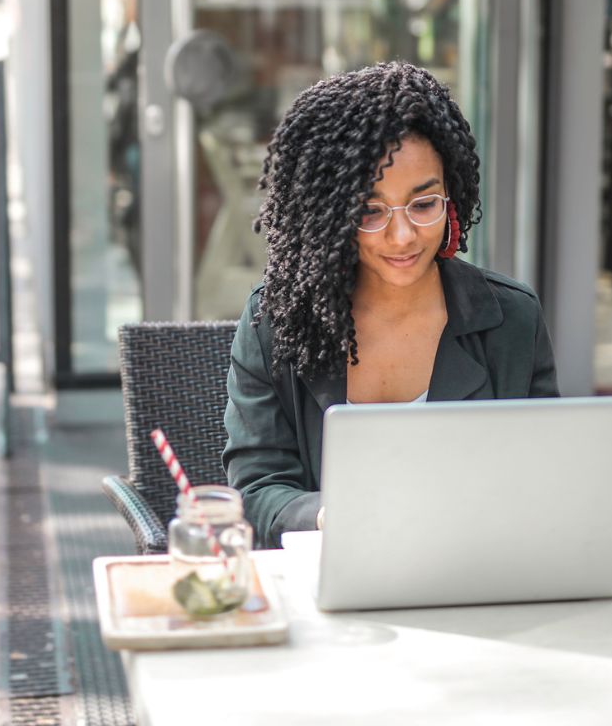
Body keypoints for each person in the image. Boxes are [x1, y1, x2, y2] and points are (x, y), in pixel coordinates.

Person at [223, 62, 559, 549]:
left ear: (453, 198)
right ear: (329, 215)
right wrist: (327, 515)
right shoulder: (275, 323)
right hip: (329, 584)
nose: (402, 237)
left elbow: (544, 482)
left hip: (478, 575)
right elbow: (255, 492)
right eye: (370, 211)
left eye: (424, 205)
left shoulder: (512, 320)